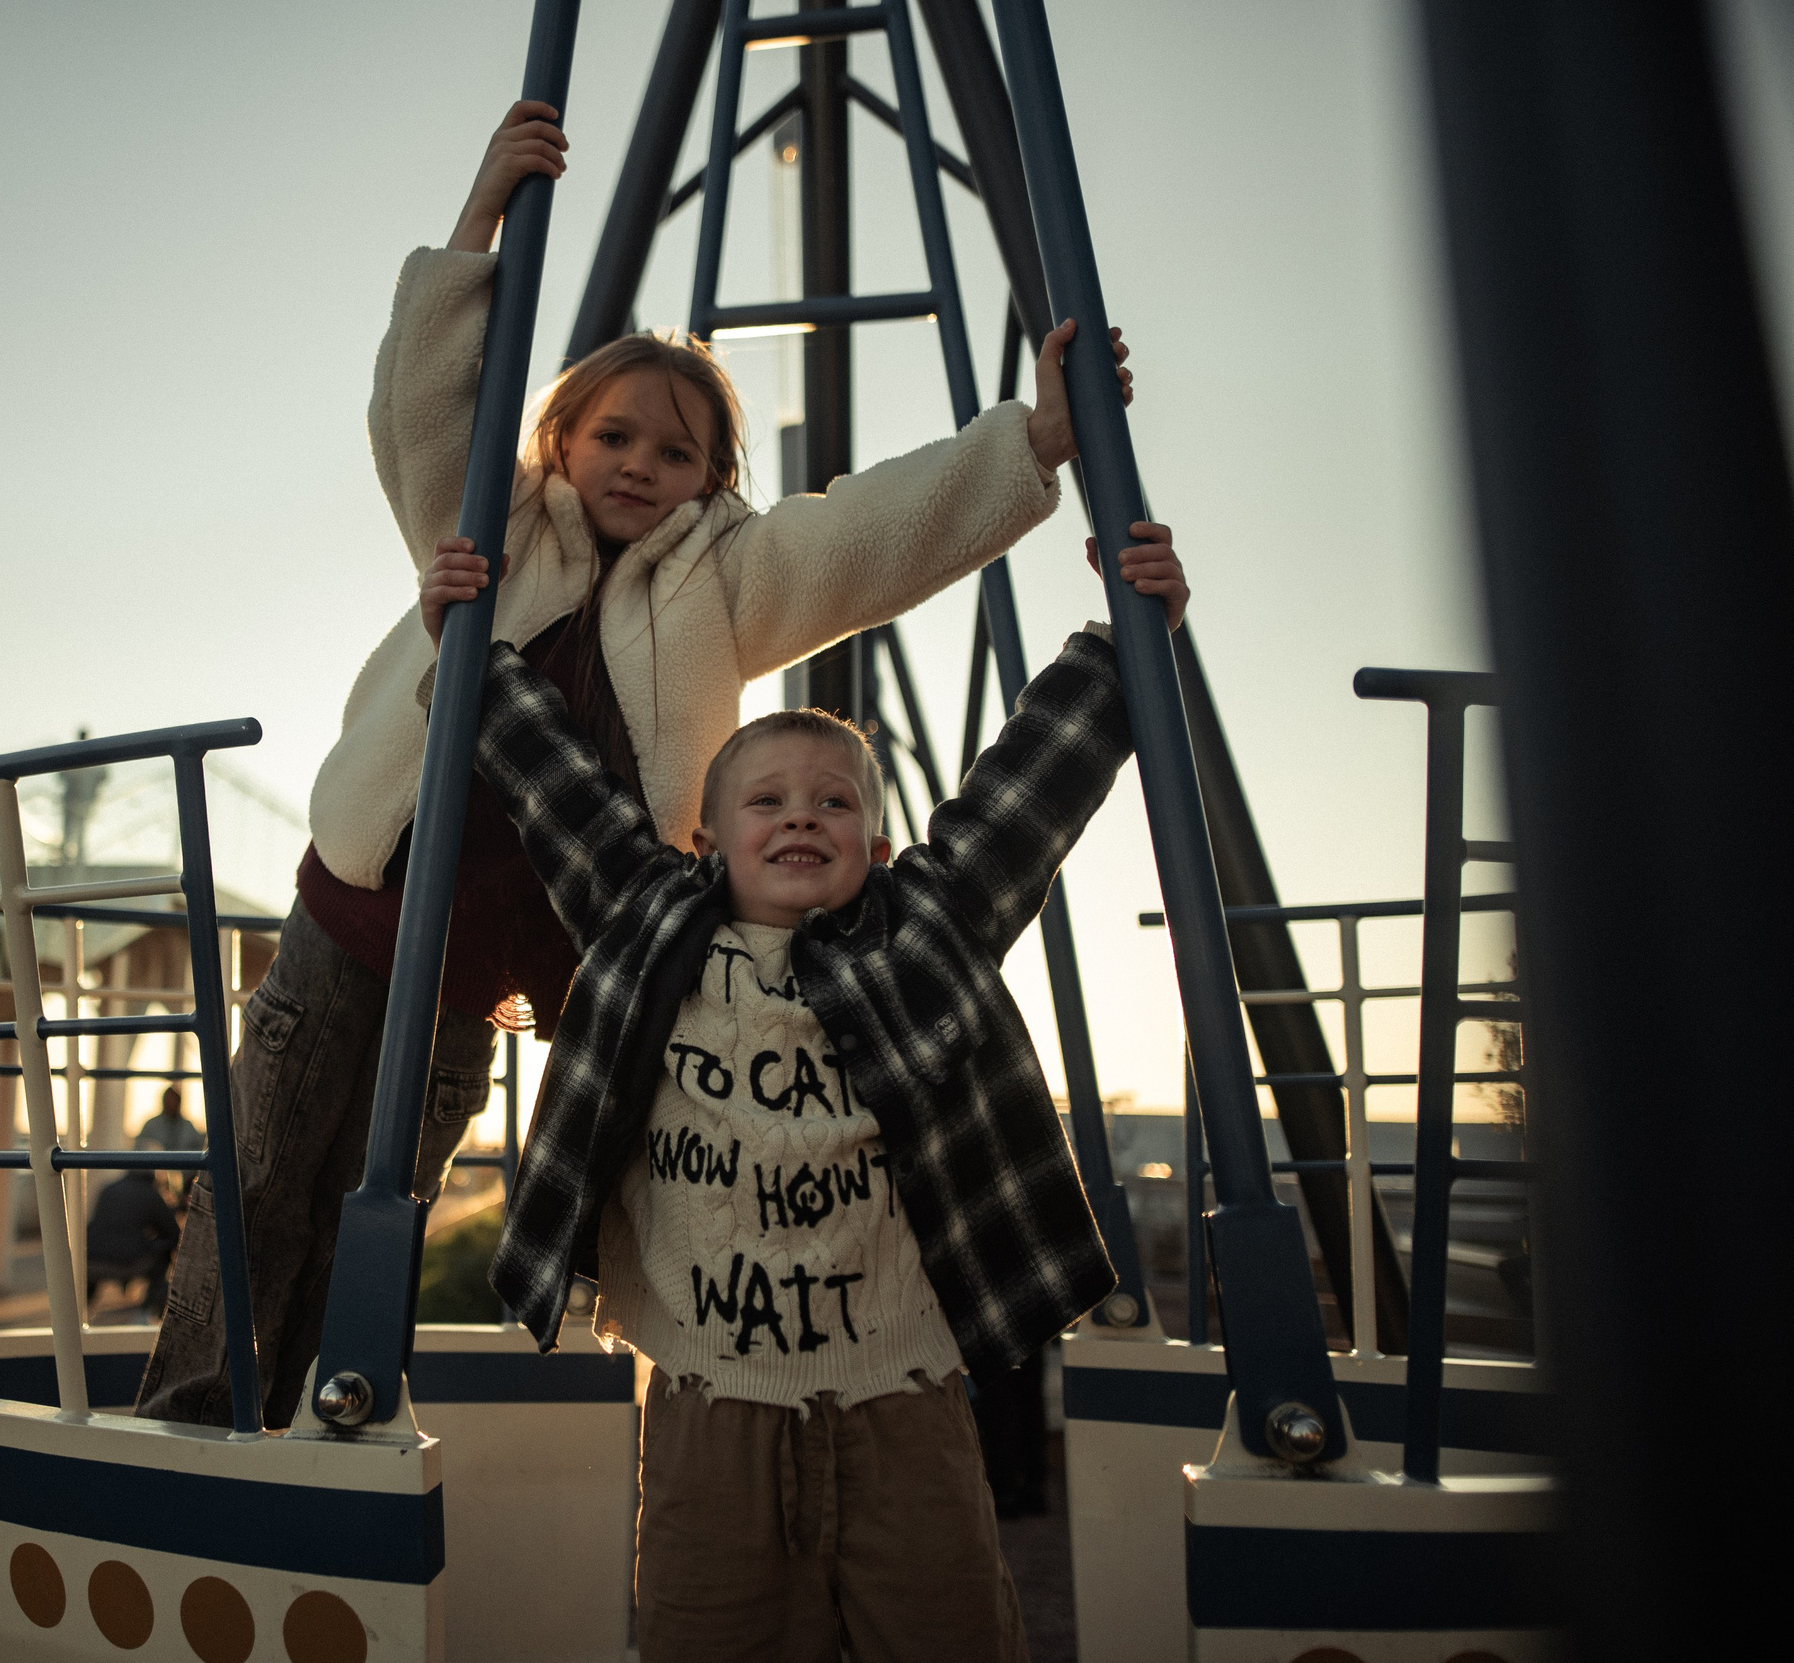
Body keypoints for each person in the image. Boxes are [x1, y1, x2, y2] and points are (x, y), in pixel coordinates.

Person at [134, 97, 1130, 1430]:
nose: (640, 466)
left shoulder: (724, 580)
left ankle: (323, 1412)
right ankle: (196, 1421)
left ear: (716, 478)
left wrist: (1035, 442)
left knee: (382, 1192)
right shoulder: (491, 518)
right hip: (371, 909)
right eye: (614, 437)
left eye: (677, 451)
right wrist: (481, 213)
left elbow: (866, 536)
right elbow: (422, 406)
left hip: (528, 959)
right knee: (263, 1171)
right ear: (562, 439)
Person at [466, 523, 1189, 1662]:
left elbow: (1029, 784)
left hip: (904, 1397)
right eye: (765, 801)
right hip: (710, 1405)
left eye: (833, 802)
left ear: (879, 841)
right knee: (708, 1635)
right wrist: (471, 641)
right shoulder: (648, 920)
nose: (800, 815)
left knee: (949, 1632)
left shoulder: (924, 926)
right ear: (705, 839)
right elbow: (555, 782)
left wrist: (1128, 637)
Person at [84, 1169, 180, 1321]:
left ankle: (83, 1310)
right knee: (163, 1253)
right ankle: (145, 1312)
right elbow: (173, 1234)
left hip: (92, 1261)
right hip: (129, 1262)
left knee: (100, 1245)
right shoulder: (150, 1193)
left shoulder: (109, 1188)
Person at [58, 727, 104, 868]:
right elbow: (102, 776)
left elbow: (62, 775)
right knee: (74, 829)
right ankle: (72, 857)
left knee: (74, 829)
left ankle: (72, 857)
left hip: (77, 800)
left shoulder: (73, 756)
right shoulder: (90, 758)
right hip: (76, 800)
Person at [135, 1085, 203, 1156]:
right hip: (157, 1165)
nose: (172, 1104)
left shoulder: (188, 1127)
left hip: (182, 1166)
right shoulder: (151, 1126)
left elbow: (198, 1150)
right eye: (169, 1100)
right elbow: (139, 1149)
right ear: (164, 1101)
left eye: (174, 1100)